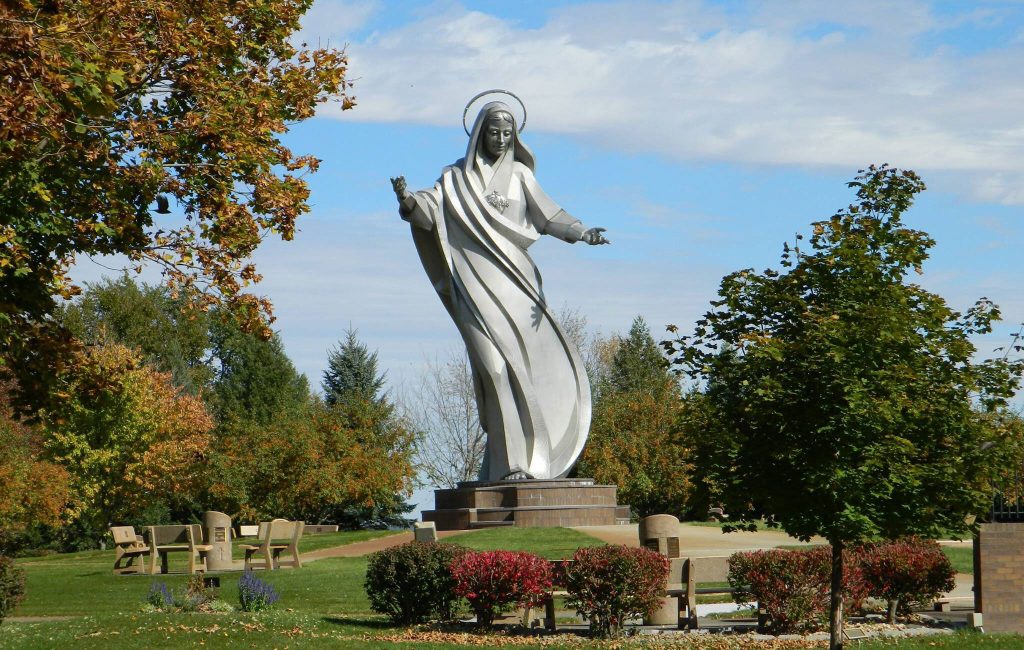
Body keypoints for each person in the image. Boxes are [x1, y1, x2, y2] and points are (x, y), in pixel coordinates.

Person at [391, 99, 609, 481]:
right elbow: (429, 215)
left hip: (517, 284)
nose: (501, 139)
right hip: (473, 288)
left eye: (508, 134)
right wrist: (408, 201)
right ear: (479, 133)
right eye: (494, 132)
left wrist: (581, 232)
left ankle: (521, 462)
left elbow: (550, 217)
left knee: (526, 369)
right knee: (493, 368)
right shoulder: (455, 180)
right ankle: (508, 464)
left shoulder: (522, 176)